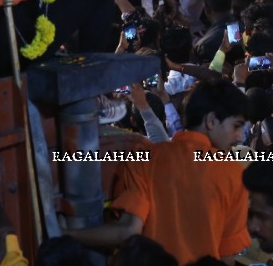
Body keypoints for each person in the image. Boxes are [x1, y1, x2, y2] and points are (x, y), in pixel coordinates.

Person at [66, 79, 251, 266]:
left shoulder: (146, 157)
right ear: (211, 121)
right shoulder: (233, 172)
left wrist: (66, 234)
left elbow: (128, 231)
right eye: (236, 126)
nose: (239, 136)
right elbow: (226, 258)